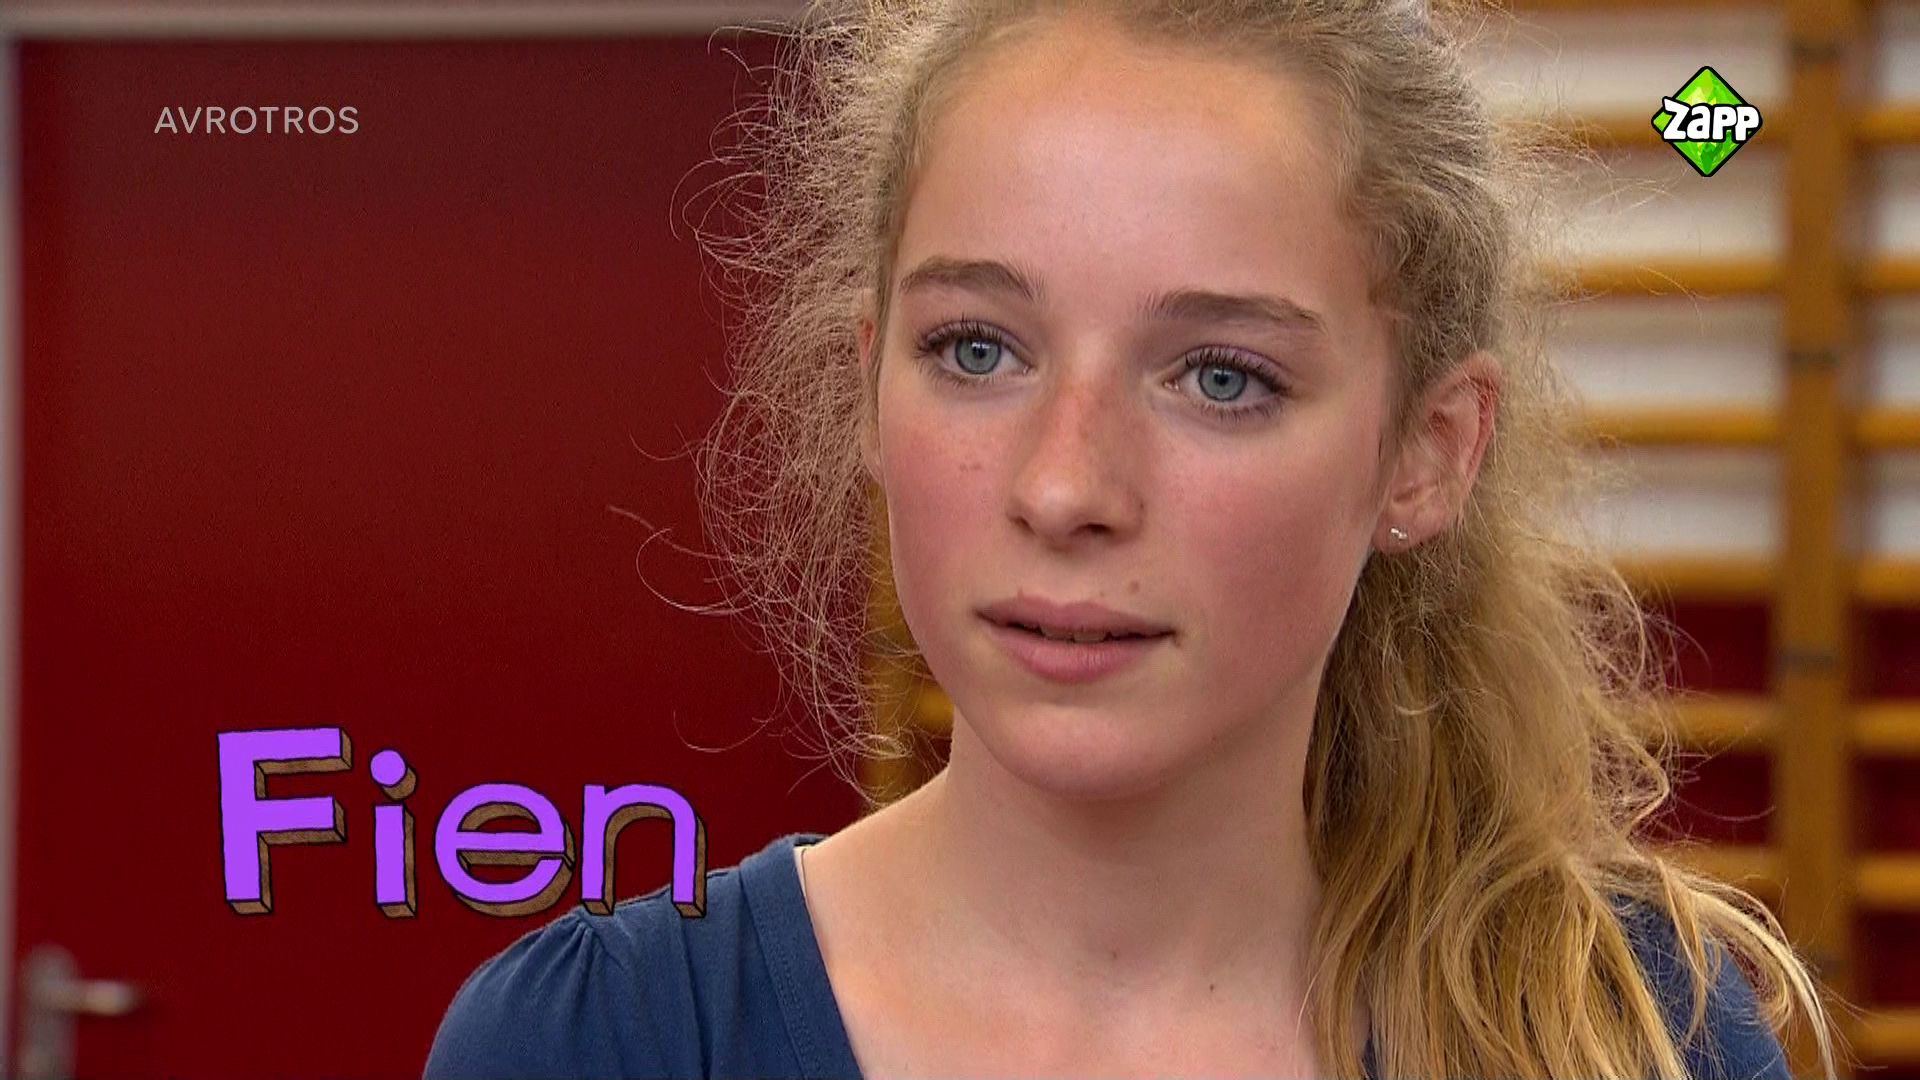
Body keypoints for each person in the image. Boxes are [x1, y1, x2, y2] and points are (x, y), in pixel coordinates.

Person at [425, 1, 1844, 1077]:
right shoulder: (595, 1042)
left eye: (1221, 376)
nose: (1063, 488)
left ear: (1427, 452)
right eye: (977, 349)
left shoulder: (1633, 1040)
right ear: (868, 385)